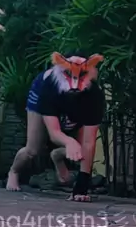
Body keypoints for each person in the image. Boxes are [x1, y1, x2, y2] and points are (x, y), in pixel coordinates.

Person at [6, 51, 105, 202]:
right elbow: (54, 132)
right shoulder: (49, 86)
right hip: (43, 95)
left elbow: (89, 142)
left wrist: (81, 188)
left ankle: (57, 155)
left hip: (77, 102)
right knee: (33, 149)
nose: (75, 81)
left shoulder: (94, 94)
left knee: (82, 149)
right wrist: (69, 141)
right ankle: (13, 171)